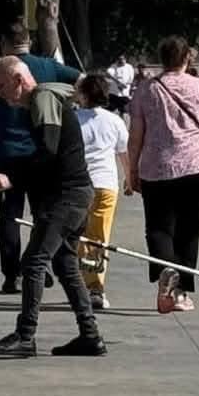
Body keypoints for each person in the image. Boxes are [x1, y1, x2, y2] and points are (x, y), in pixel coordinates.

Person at [0, 58, 104, 358]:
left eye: (1, 86)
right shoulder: (44, 100)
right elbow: (47, 154)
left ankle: (26, 336)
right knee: (64, 264)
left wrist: (12, 177)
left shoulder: (43, 99)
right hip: (74, 195)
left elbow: (49, 152)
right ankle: (90, 336)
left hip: (66, 197)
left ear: (18, 80)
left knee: (34, 262)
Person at [128, 36, 199, 315]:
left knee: (157, 227)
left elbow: (135, 136)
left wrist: (131, 169)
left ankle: (166, 269)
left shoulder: (145, 90)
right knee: (189, 230)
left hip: (156, 169)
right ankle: (180, 294)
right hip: (196, 167)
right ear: (187, 59)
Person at [0, 20, 81, 294]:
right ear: (29, 40)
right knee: (44, 214)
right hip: (43, 154)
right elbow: (83, 81)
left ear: (4, 44)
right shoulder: (49, 67)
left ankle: (12, 274)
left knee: (9, 217)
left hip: (7, 157)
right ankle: (43, 262)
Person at [75, 73, 129, 310]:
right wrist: (130, 177)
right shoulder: (114, 121)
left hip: (78, 185)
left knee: (79, 235)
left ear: (84, 95)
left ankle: (82, 283)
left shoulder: (72, 119)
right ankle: (95, 286)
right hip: (106, 184)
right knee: (99, 237)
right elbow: (124, 153)